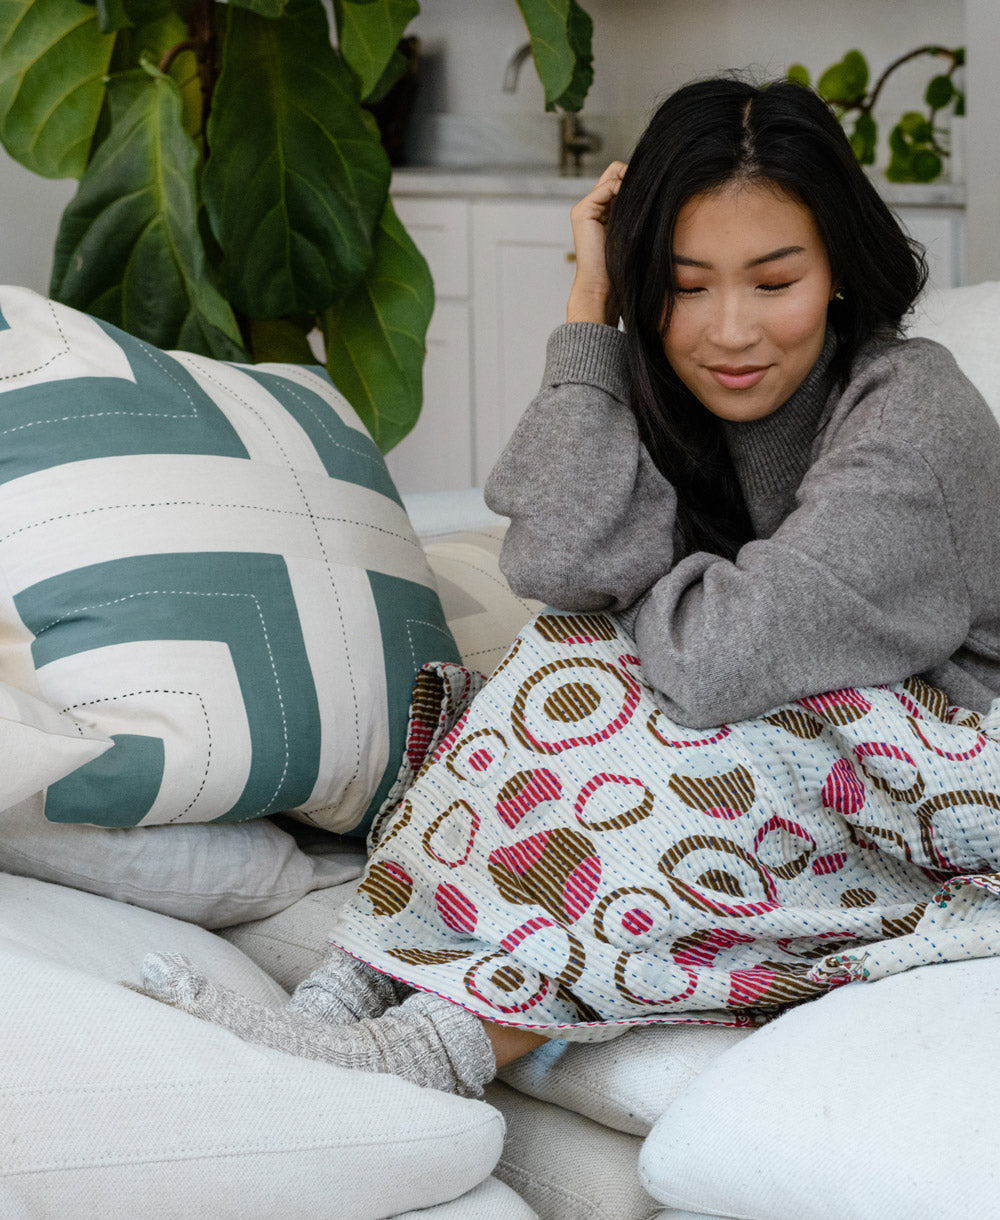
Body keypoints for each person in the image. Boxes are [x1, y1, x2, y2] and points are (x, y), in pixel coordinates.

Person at [137, 76, 1000, 1098]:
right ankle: (343, 993)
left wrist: (632, 584)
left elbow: (723, 657)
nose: (730, 331)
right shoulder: (663, 383)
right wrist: (589, 310)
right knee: (566, 647)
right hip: (784, 720)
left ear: (840, 275)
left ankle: (437, 1047)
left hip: (942, 769)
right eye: (684, 284)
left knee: (651, 684)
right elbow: (552, 558)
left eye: (774, 283)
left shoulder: (917, 409)